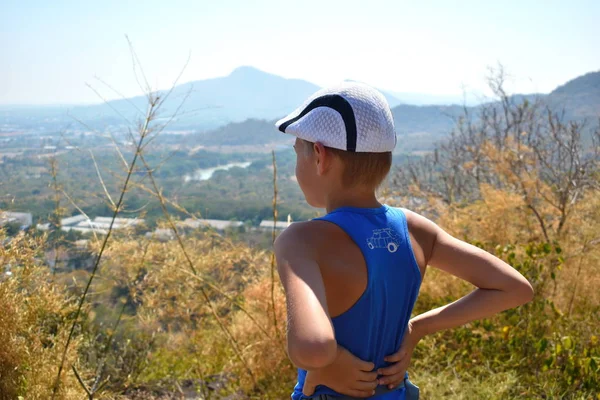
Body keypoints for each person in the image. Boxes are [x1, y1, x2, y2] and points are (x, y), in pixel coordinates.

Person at [274, 82, 534, 400]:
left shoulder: (301, 241)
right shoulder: (415, 229)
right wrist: (417, 328)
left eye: (298, 153)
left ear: (320, 156)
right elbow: (515, 288)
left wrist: (329, 364)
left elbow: (312, 349)